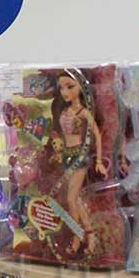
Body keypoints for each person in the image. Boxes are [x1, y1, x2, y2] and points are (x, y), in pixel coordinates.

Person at [51, 70, 107, 255]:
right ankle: (89, 236)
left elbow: (97, 136)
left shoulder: (84, 112)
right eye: (61, 88)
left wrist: (99, 161)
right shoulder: (65, 110)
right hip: (67, 156)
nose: (65, 92)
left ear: (81, 87)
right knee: (75, 200)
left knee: (71, 199)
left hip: (79, 157)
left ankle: (78, 238)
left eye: (70, 87)